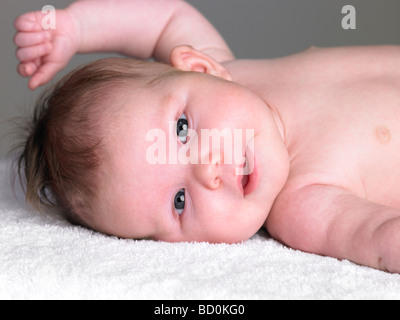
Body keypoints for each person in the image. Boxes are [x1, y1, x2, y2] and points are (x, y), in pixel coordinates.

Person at [13, 0, 400, 273]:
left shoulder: (224, 69)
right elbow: (379, 238)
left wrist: (78, 26)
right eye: (180, 202)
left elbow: (165, 17)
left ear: (200, 67)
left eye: (182, 129)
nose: (207, 171)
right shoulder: (302, 206)